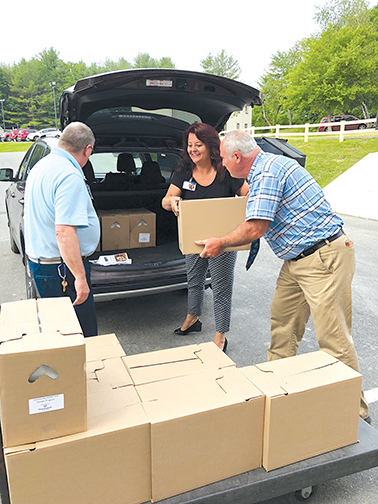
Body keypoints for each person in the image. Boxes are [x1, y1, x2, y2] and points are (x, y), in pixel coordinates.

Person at [196, 129, 369, 421]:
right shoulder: (266, 169)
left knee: (334, 338)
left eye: (224, 159)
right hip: (297, 259)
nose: (222, 165)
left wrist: (220, 242)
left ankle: (356, 416)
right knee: (282, 326)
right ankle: (276, 393)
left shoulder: (267, 173)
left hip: (322, 256)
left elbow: (255, 228)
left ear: (237, 156)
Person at [162, 123, 249, 351]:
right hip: (194, 239)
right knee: (194, 281)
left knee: (221, 288)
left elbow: (248, 198)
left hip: (223, 242)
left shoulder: (227, 172)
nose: (193, 149)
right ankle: (193, 318)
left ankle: (221, 334)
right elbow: (165, 200)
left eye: (198, 145)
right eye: (190, 145)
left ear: (211, 147)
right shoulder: (182, 172)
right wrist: (172, 202)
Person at [24, 122, 100, 337]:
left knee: (58, 334)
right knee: (79, 336)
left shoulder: (42, 166)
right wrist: (80, 277)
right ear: (87, 149)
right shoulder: (69, 175)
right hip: (61, 270)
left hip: (45, 265)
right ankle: (83, 371)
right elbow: (64, 231)